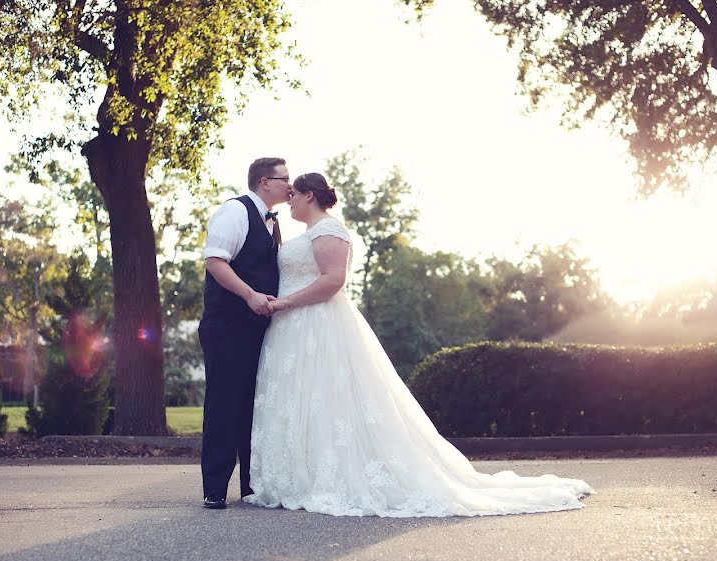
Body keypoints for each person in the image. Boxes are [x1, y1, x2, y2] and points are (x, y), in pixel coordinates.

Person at [245, 173, 594, 517]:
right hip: (292, 330)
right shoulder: (307, 234)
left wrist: (287, 303)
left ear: (309, 196)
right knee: (302, 399)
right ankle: (298, 477)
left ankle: (332, 479)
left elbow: (334, 281)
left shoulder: (329, 230)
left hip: (318, 325)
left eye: (293, 195)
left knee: (328, 399)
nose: (288, 200)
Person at [198, 157, 290, 509]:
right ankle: (215, 487)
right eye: (285, 178)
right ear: (265, 182)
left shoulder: (273, 221)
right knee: (225, 404)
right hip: (227, 325)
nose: (290, 185)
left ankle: (251, 487)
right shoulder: (234, 212)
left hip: (260, 329)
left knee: (255, 406)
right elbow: (215, 261)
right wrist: (250, 295)